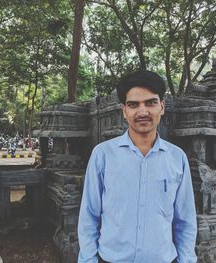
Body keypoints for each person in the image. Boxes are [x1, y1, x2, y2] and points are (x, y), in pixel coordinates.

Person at [78, 70, 197, 263]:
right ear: (124, 111)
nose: (142, 112)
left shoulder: (177, 159)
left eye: (150, 102)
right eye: (133, 105)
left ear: (162, 107)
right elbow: (89, 217)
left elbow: (185, 222)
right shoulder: (103, 155)